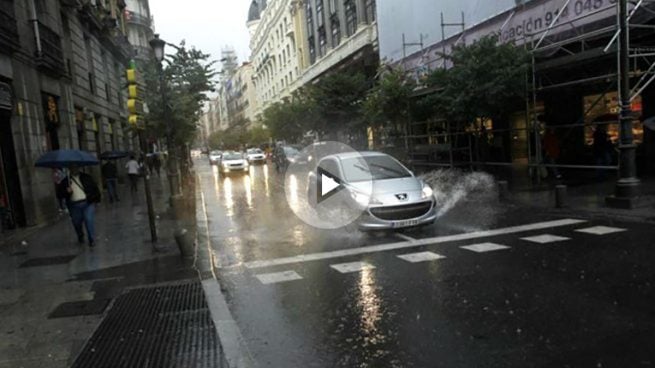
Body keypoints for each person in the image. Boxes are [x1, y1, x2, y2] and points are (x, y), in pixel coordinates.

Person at [57, 166, 101, 247]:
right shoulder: (65, 181)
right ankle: (80, 235)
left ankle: (91, 239)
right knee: (76, 222)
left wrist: (97, 200)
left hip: (87, 203)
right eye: (72, 167)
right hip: (74, 205)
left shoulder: (86, 177)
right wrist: (67, 191)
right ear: (69, 169)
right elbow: (59, 194)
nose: (74, 169)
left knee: (89, 220)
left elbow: (95, 188)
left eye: (76, 166)